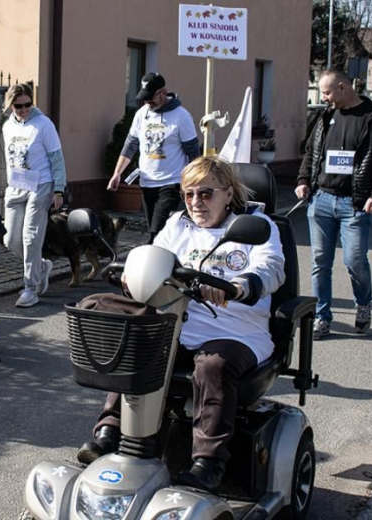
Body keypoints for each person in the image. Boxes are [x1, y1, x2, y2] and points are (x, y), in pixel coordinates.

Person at [78, 156, 285, 493]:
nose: (195, 202)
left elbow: (272, 268)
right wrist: (133, 274)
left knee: (213, 365)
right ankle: (111, 430)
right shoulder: (178, 224)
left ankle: (208, 464)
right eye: (188, 194)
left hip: (235, 330)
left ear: (228, 193)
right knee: (121, 324)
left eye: (206, 193)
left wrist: (239, 286)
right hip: (177, 321)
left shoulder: (256, 225)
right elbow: (153, 255)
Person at [296, 69, 372, 340]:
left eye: (327, 92)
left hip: (355, 205)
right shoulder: (325, 116)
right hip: (321, 200)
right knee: (320, 262)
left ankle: (363, 304)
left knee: (354, 261)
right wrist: (304, 180)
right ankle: (322, 317)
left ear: (343, 87)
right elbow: (311, 151)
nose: (324, 97)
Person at [106, 72, 201, 242]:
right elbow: (131, 145)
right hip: (147, 181)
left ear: (163, 93)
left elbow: (193, 152)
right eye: (145, 98)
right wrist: (117, 173)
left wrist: (194, 182)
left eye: (151, 98)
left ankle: (152, 260)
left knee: (156, 231)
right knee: (155, 228)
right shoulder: (142, 113)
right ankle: (169, 260)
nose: (147, 102)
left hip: (171, 182)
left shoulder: (181, 116)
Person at [2, 83, 67, 307]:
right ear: (10, 105)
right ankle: (40, 266)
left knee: (31, 237)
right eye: (18, 106)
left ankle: (30, 288)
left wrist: (59, 189)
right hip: (16, 186)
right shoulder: (7, 126)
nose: (23, 109)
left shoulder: (43, 124)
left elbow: (57, 158)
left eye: (27, 104)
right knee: (10, 239)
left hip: (40, 185)